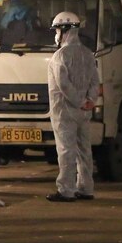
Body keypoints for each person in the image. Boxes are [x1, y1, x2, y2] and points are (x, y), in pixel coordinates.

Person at [46, 11, 100, 203]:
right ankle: (86, 188)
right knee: (84, 150)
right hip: (84, 111)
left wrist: (78, 101)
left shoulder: (59, 56)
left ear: (65, 31)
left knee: (66, 150)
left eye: (58, 29)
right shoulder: (87, 54)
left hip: (64, 112)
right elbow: (95, 81)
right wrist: (89, 101)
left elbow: (63, 84)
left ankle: (66, 190)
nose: (56, 34)